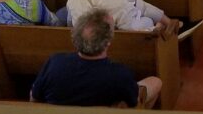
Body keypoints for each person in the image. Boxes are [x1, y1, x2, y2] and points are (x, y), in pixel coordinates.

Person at [31, 8, 162, 108]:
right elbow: (133, 103)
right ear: (108, 41)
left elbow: (34, 98)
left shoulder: (55, 63)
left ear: (76, 37)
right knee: (155, 82)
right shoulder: (120, 75)